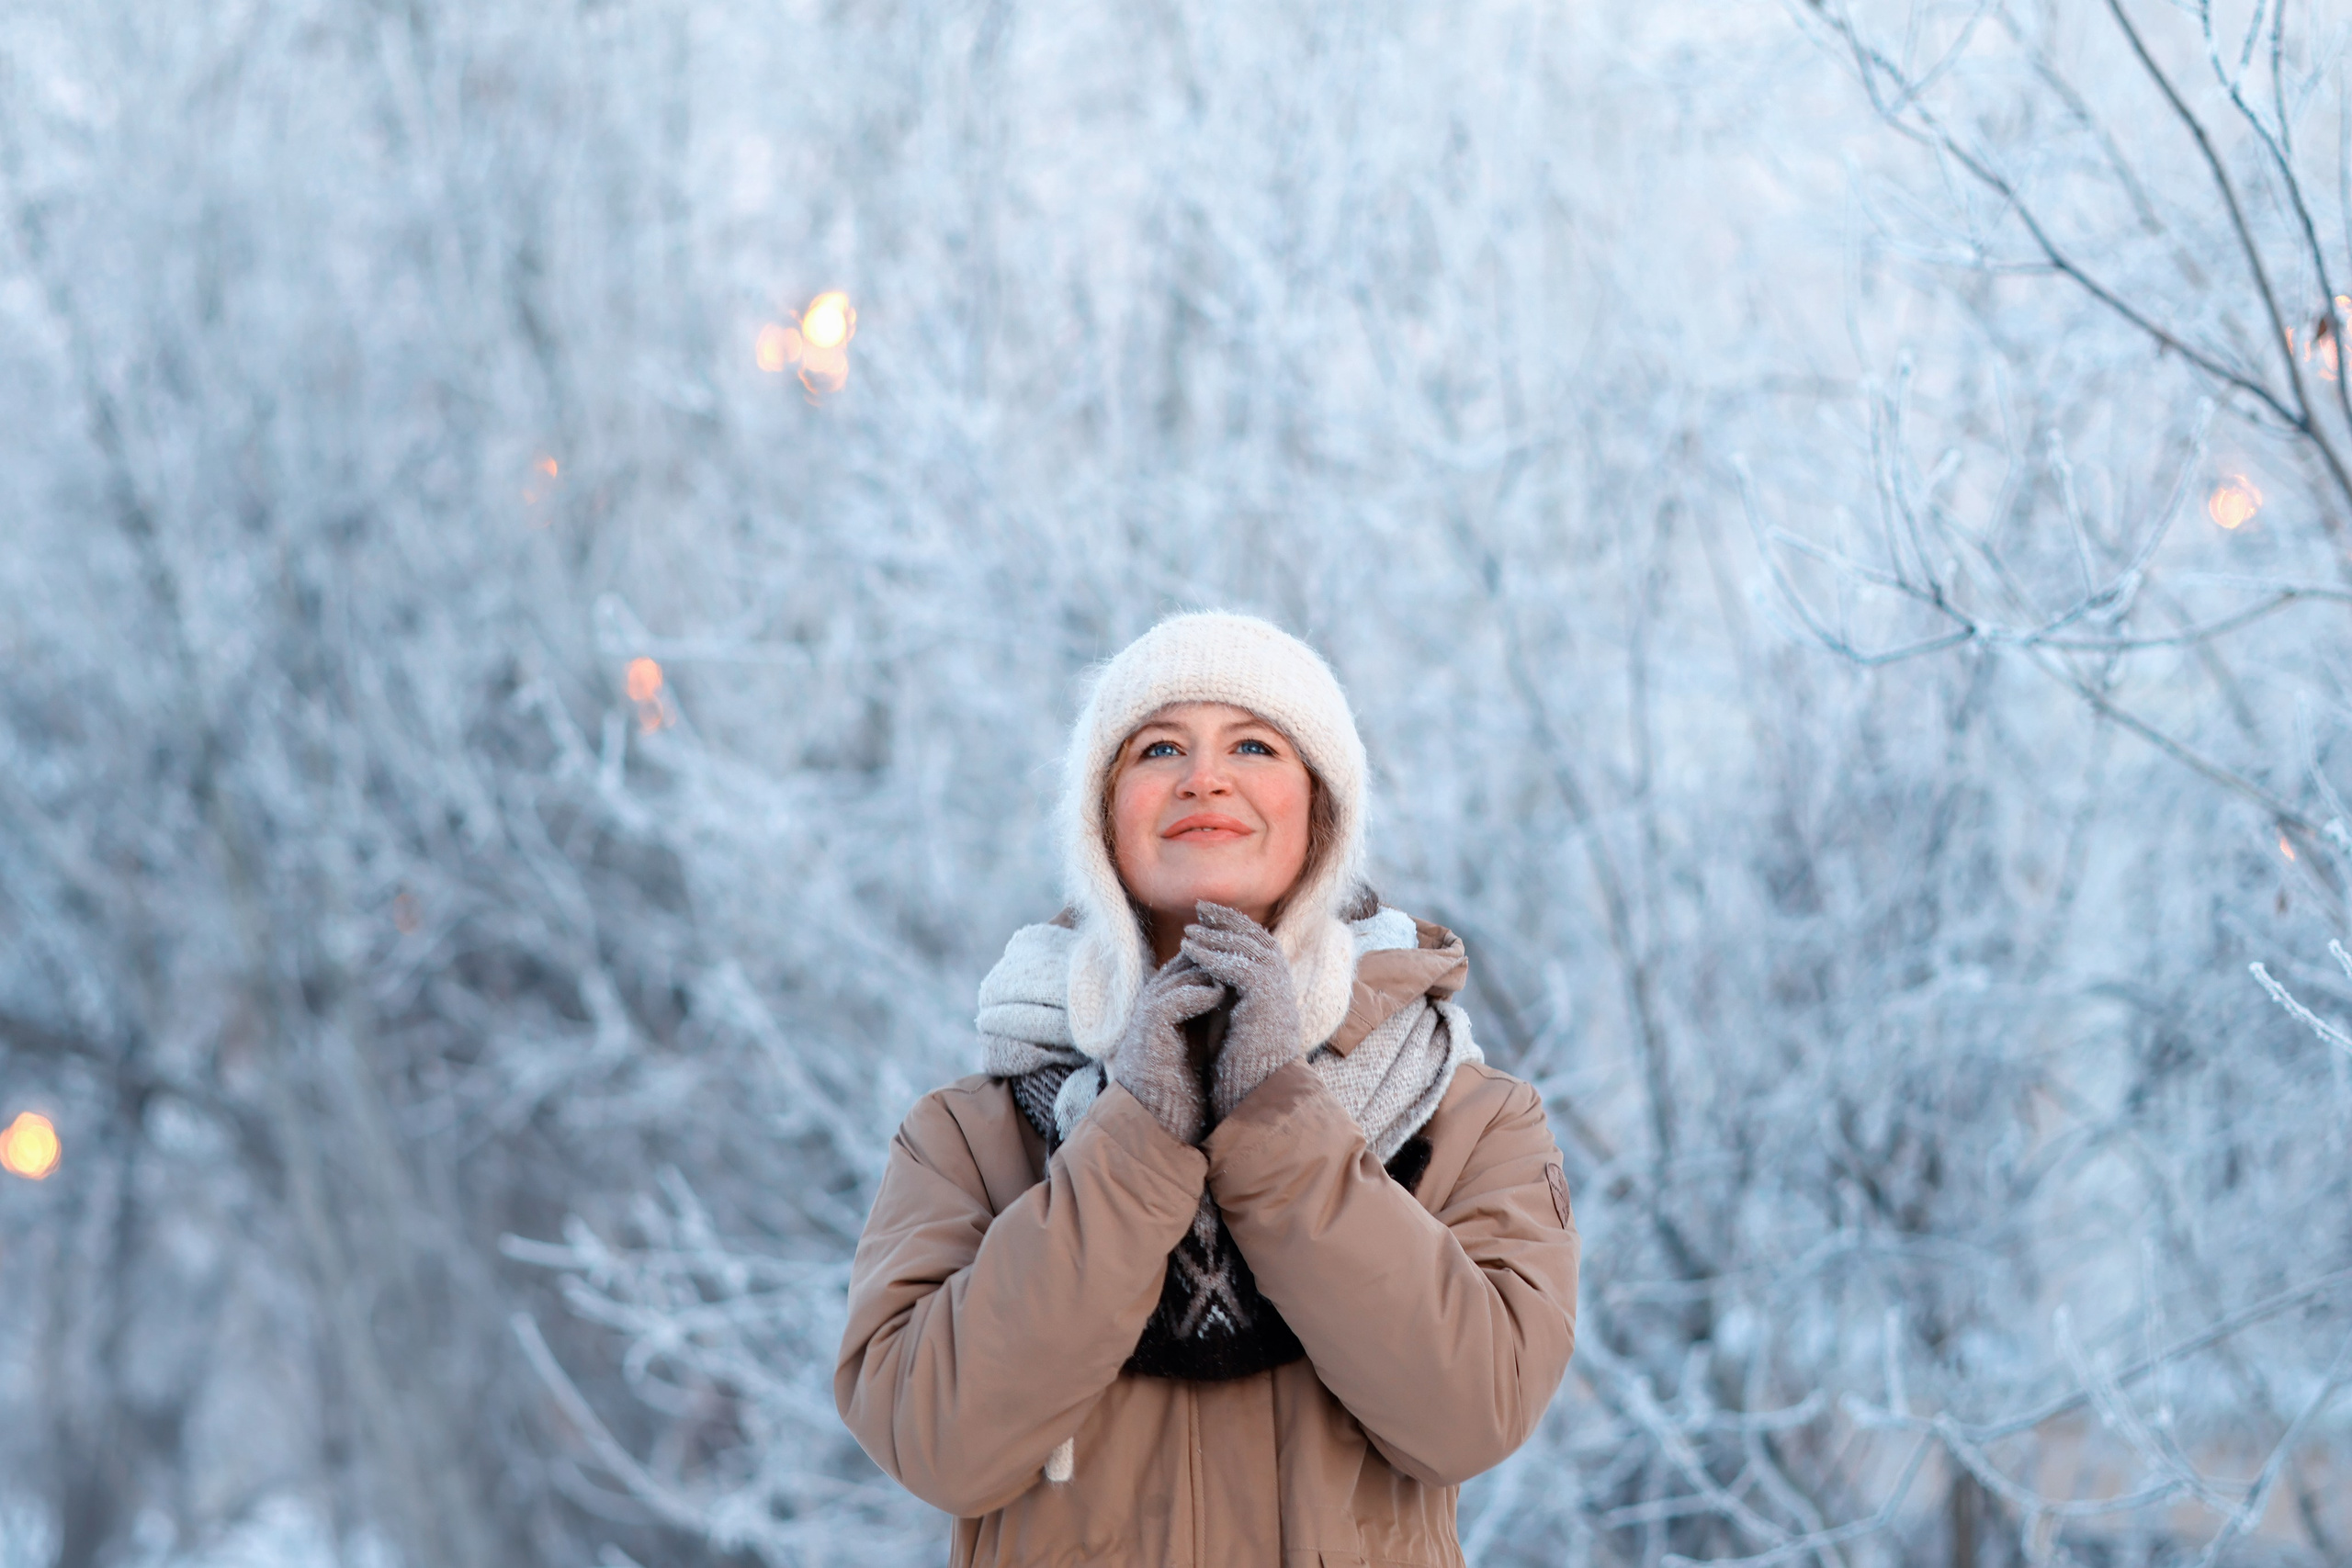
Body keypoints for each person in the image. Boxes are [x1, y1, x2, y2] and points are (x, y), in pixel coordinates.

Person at [835, 611, 1579, 1565]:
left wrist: (1275, 1113)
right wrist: (1135, 1134)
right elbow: (936, 1442)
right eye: (1157, 748)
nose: (1203, 778)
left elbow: (1470, 1414)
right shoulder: (969, 1135)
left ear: (1323, 809)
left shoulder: (1468, 1117)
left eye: (1254, 743)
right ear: (1103, 817)